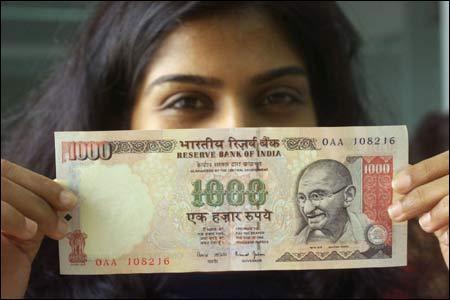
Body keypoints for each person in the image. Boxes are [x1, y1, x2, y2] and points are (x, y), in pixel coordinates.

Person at [1, 1, 448, 298]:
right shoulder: (24, 278)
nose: (238, 135)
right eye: (187, 101)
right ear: (120, 125)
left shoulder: (412, 278)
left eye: (279, 96)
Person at [295, 159, 371, 244]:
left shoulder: (371, 233)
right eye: (302, 198)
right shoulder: (294, 244)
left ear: (348, 196)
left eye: (316, 196)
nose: (307, 209)